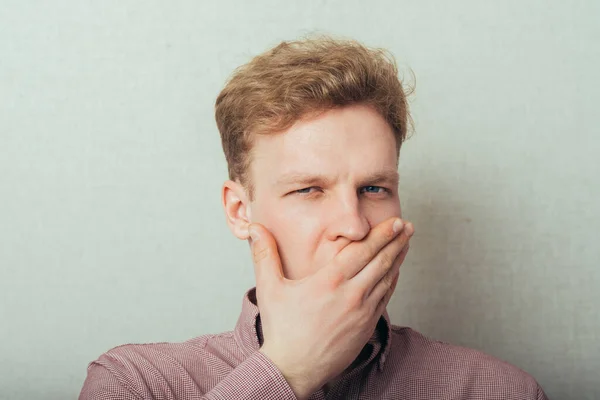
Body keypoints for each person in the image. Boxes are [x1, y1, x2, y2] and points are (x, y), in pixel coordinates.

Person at [79, 36, 548, 400]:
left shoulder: (496, 390)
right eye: (309, 190)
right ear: (240, 211)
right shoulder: (135, 382)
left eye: (374, 189)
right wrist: (286, 370)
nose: (355, 224)